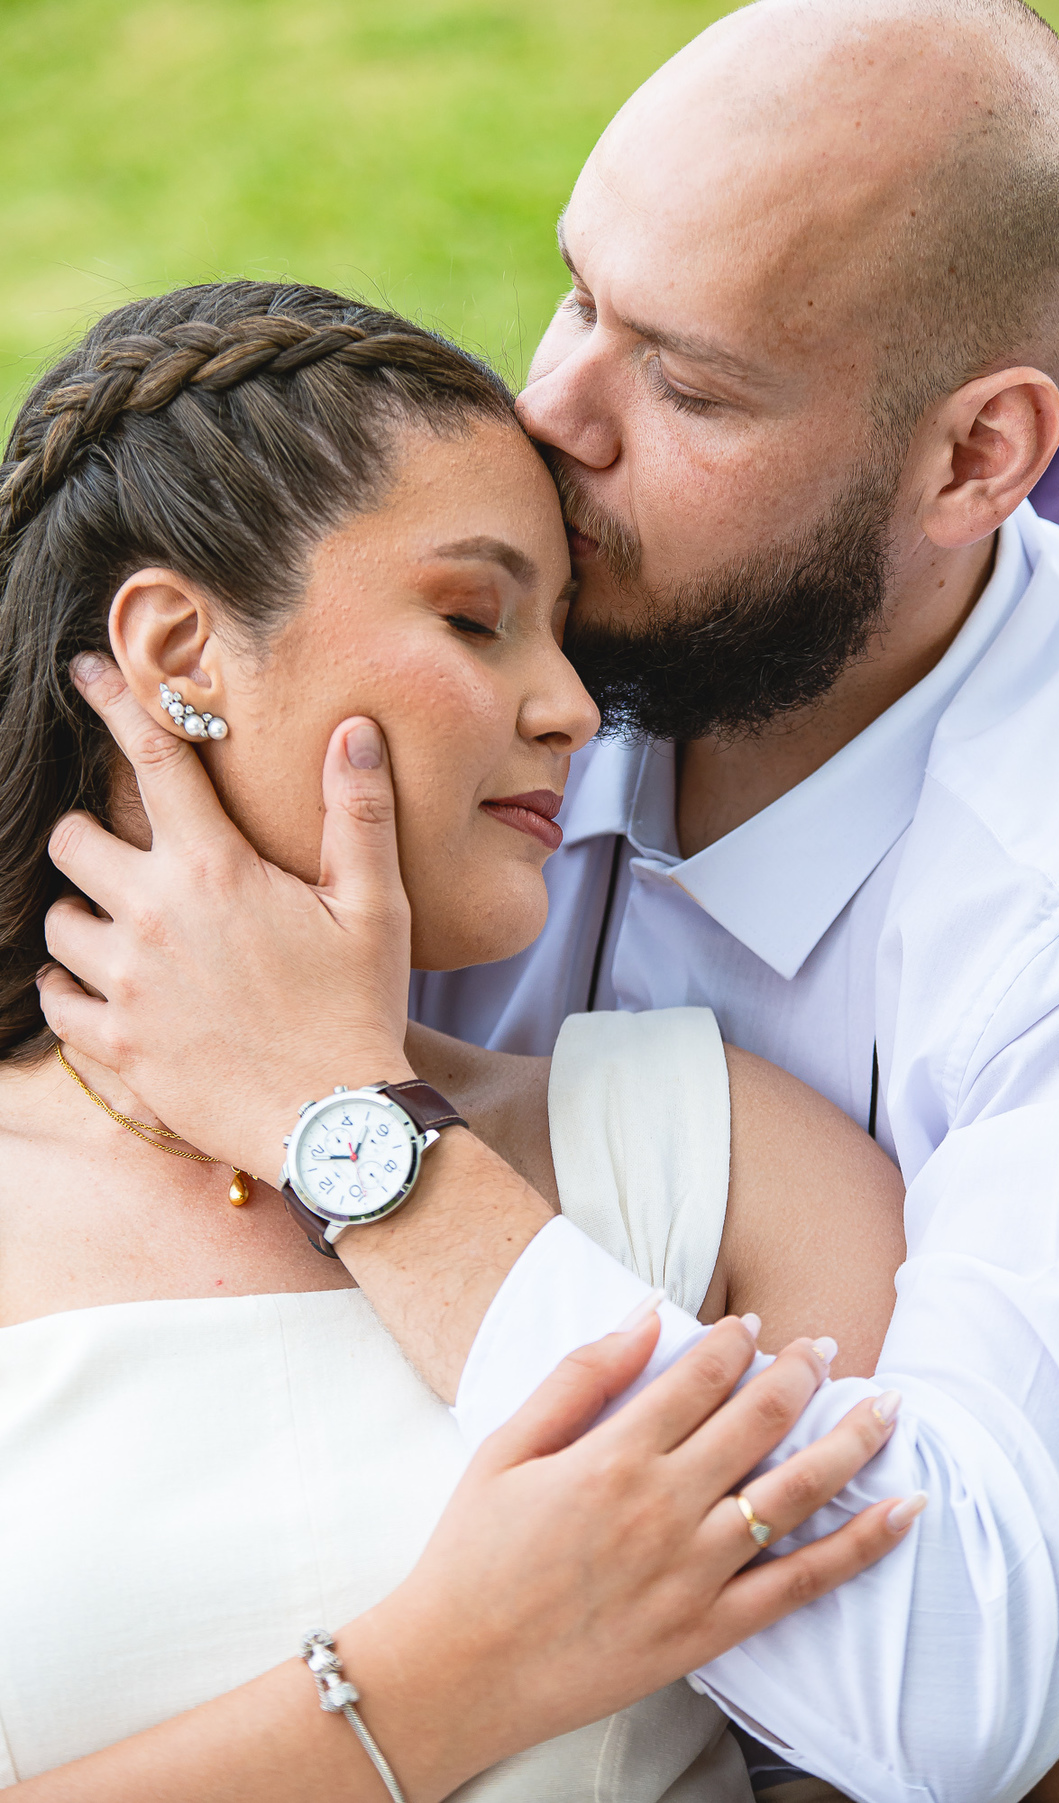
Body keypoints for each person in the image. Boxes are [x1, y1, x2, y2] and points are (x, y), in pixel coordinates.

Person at [37, 2, 1059, 1800]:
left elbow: (967, 1683)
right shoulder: (500, 668)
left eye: (694, 384)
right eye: (579, 292)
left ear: (978, 457)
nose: (552, 413)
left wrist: (346, 1122)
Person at [0, 277, 921, 1797]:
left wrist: (332, 1103)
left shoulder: (728, 1159)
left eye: (567, 638)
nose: (573, 708)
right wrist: (450, 1676)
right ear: (178, 650)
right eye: (475, 616)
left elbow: (939, 1706)